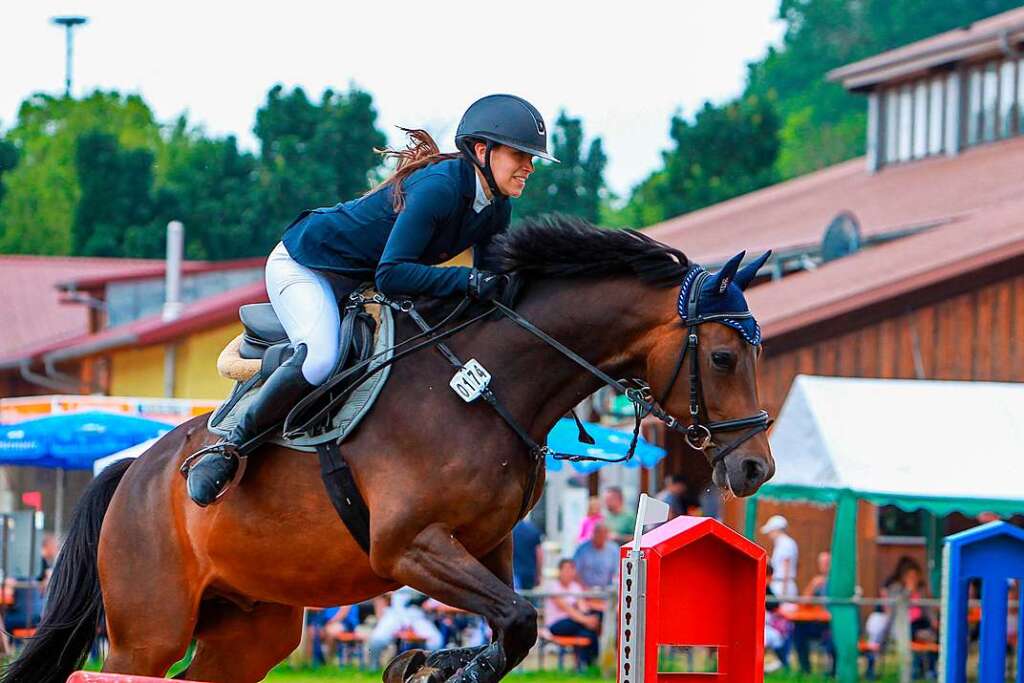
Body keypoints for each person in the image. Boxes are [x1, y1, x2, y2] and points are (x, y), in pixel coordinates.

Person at [183, 94, 557, 506]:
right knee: (320, 359)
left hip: (355, 284)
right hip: (306, 265)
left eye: (532, 158)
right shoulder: (440, 188)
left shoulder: (495, 207)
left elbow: (490, 290)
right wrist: (468, 281)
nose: (529, 166)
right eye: (520, 155)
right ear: (483, 151)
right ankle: (227, 449)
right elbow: (393, 275)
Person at [543, 559, 600, 668]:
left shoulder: (576, 587)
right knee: (584, 625)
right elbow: (568, 609)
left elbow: (582, 607)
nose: (569, 572)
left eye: (571, 569)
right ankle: (589, 665)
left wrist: (589, 616)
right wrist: (587, 620)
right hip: (556, 625)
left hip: (575, 623)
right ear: (560, 571)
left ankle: (585, 666)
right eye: (566, 569)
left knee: (587, 633)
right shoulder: (554, 587)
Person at [792, 551, 834, 676]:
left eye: (827, 563)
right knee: (799, 630)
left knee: (833, 638)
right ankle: (806, 670)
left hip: (833, 625)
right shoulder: (818, 582)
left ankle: (832, 673)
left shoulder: (837, 582)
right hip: (820, 623)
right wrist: (812, 585)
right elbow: (803, 602)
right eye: (822, 563)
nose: (824, 566)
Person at [572, 522, 621, 589]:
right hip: (585, 591)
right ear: (593, 534)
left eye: (603, 534)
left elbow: (617, 572)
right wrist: (583, 588)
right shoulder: (582, 549)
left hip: (607, 591)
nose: (600, 537)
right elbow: (574, 571)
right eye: (598, 533)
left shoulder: (614, 549)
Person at [761, 515, 798, 598]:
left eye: (770, 531)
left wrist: (783, 593)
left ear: (776, 530)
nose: (769, 534)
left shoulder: (785, 543)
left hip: (783, 586)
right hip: (781, 585)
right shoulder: (783, 543)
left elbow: (786, 567)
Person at [512, 518, 543, 591]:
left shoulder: (510, 531)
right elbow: (539, 555)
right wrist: (539, 574)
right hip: (529, 572)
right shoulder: (533, 530)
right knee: (529, 598)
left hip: (514, 572)